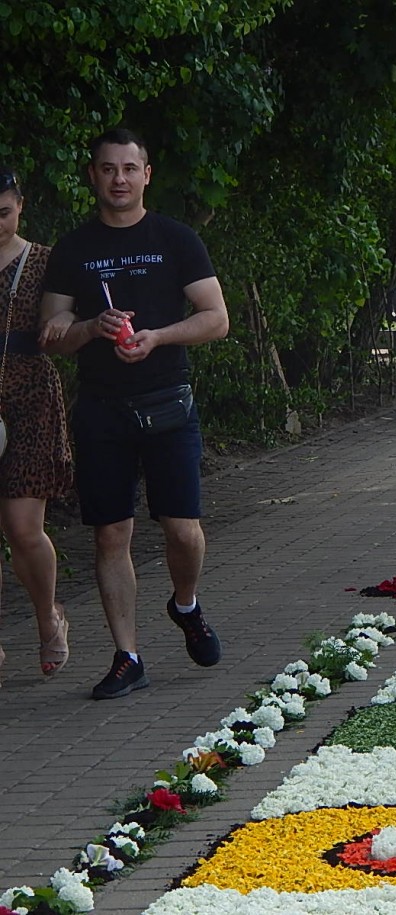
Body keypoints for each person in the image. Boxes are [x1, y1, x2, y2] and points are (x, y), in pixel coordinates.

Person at [40, 128, 229, 700]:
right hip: (101, 410)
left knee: (183, 530)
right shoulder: (72, 249)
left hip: (168, 403)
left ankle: (186, 603)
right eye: (107, 169)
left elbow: (216, 318)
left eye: (129, 168)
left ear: (147, 175)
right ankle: (128, 656)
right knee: (109, 535)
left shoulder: (175, 238)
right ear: (92, 175)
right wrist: (88, 329)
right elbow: (50, 334)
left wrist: (158, 337)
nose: (118, 179)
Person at [0, 168, 73, 680]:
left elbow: (69, 321)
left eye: (2, 213)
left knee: (24, 530)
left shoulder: (45, 261)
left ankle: (48, 616)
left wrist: (66, 322)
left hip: (29, 399)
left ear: (21, 205)